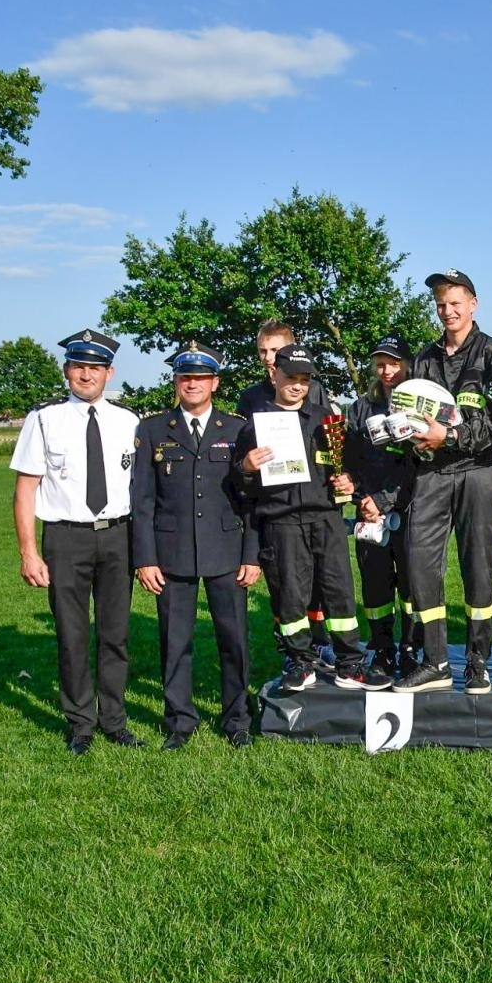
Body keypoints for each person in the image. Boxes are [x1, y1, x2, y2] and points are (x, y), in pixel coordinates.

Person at [10, 329, 143, 754]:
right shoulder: (44, 418)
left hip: (118, 536)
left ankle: (115, 720)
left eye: (95, 367)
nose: (86, 375)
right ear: (67, 370)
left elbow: (142, 488)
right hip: (66, 538)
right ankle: (81, 724)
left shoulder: (129, 420)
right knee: (71, 635)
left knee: (115, 633)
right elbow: (25, 489)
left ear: (109, 372)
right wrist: (28, 552)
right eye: (79, 366)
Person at [131, 342, 262, 749]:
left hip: (226, 551)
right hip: (171, 554)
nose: (193, 384)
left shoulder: (238, 429)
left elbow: (252, 499)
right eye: (186, 377)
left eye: (201, 378)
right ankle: (179, 721)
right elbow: (142, 500)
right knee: (175, 642)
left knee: (235, 640)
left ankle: (237, 718)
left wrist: (252, 554)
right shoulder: (153, 429)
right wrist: (146, 558)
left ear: (215, 383)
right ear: (176, 381)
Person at [233, 344, 372, 692]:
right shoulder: (255, 424)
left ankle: (349, 664)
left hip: (326, 517)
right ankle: (300, 662)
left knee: (339, 591)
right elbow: (239, 484)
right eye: (290, 377)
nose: (297, 385)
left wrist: (349, 482)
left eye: (304, 379)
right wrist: (246, 468)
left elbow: (352, 466)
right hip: (280, 521)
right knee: (289, 595)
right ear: (273, 375)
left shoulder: (328, 419)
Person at [399, 269, 492, 693]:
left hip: (479, 471)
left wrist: (451, 436)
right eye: (441, 304)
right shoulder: (424, 359)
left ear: (473, 304)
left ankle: (477, 662)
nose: (448, 311)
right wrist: (412, 438)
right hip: (431, 473)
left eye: (455, 303)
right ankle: (435, 661)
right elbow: (411, 415)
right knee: (421, 566)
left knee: (478, 569)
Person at [236, 320, 333, 667]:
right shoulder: (250, 397)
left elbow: (329, 443)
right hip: (271, 504)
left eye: (274, 351)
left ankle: (319, 642)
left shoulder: (314, 389)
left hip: (313, 501)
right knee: (283, 580)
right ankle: (289, 648)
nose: (267, 358)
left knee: (318, 582)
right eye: (262, 351)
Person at [343, 334, 422, 684]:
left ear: (407, 364)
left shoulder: (419, 404)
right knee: (375, 587)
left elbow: (419, 463)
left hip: (409, 509)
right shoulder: (361, 407)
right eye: (380, 362)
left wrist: (385, 502)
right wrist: (361, 497)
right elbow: (350, 459)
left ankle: (409, 649)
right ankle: (382, 649)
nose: (386, 369)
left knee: (410, 585)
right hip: (368, 511)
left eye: (393, 362)